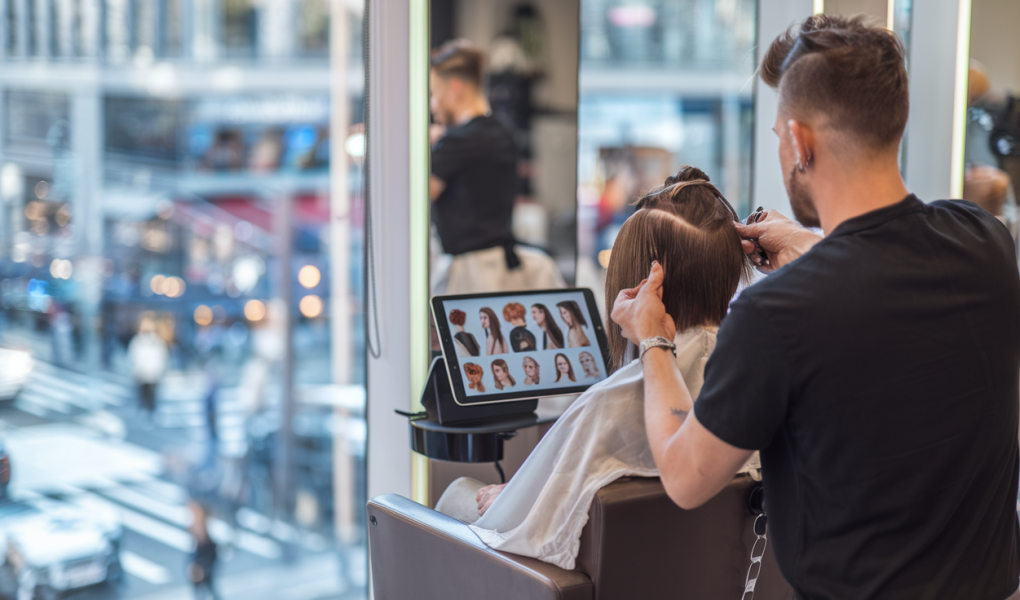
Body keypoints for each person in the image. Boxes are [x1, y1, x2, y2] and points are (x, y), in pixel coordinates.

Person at [611, 16, 1020, 600]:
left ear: (800, 142)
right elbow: (889, 264)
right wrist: (813, 248)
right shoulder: (986, 243)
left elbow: (683, 475)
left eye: (778, 134)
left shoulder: (777, 316)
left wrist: (652, 338)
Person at [434, 166, 754, 571]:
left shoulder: (611, 402)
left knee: (459, 491)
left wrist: (517, 495)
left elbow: (523, 524)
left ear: (638, 285)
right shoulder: (755, 378)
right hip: (696, 578)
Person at [429, 39, 565, 295]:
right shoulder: (502, 132)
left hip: (469, 275)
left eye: (434, 94)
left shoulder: (459, 141)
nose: (433, 104)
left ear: (454, 88)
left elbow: (414, 201)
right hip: (498, 266)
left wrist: (423, 149)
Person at [127, 314, 169, 422]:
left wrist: (158, 370)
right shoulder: (137, 341)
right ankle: (142, 411)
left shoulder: (157, 341)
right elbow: (132, 355)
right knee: (142, 394)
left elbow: (161, 356)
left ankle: (151, 412)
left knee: (152, 395)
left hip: (153, 374)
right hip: (141, 373)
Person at [187, 501, 219, 600]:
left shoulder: (209, 544)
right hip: (199, 557)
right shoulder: (196, 532)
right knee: (203, 589)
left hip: (204, 560)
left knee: (208, 586)